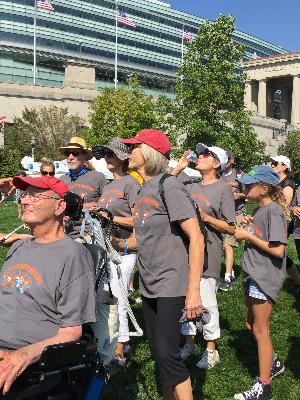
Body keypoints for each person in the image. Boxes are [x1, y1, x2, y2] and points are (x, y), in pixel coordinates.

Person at [111, 129, 204, 400]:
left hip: (172, 283)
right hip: (149, 285)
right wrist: (113, 241)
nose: (128, 153)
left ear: (149, 152)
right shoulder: (143, 189)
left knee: (167, 354)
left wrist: (194, 290)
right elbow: (140, 240)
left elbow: (197, 237)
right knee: (159, 354)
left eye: (134, 147)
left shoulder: (169, 185)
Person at [0, 175, 96, 397]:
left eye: (34, 196)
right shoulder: (19, 247)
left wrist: (20, 357)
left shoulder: (73, 254)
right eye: (25, 195)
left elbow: (71, 332)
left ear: (59, 206)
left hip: (27, 362)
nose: (24, 201)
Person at [172, 144, 236, 369]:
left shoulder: (223, 189)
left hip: (209, 254)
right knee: (185, 300)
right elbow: (165, 186)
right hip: (184, 254)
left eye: (206, 155)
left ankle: (211, 350)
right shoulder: (189, 185)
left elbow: (231, 228)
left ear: (217, 163)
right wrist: (179, 167)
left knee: (206, 302)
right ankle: (190, 345)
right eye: (200, 154)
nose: (200, 157)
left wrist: (204, 218)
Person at [234, 165, 289, 400]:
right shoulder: (259, 210)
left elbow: (278, 250)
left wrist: (247, 235)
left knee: (260, 331)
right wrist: (248, 226)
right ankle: (274, 363)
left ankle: (263, 387)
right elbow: (260, 236)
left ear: (264, 189)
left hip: (264, 276)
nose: (244, 188)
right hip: (252, 273)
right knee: (250, 325)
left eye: (249, 185)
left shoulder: (274, 210)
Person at [95, 137, 140, 371]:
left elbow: (140, 220)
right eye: (104, 154)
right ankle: (119, 343)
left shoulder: (131, 184)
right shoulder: (108, 185)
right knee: (108, 296)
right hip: (107, 248)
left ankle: (120, 352)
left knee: (120, 298)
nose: (106, 157)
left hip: (124, 247)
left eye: (110, 153)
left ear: (123, 157)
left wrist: (108, 217)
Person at [58, 137, 107, 240]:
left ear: (84, 157)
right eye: (68, 153)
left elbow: (111, 204)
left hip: (90, 234)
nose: (70, 157)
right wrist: (62, 213)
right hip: (66, 234)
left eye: (75, 153)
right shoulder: (62, 180)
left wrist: (96, 205)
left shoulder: (98, 177)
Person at [270, 155, 300, 293]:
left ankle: (298, 281)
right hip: (273, 220)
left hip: (283, 223)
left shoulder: (288, 183)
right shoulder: (276, 182)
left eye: (275, 163)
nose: (272, 165)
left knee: (279, 253)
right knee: (273, 251)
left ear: (284, 167)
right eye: (272, 163)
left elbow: (284, 205)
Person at [219, 149, 246, 291]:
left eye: (227, 159)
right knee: (222, 245)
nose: (225, 162)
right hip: (221, 215)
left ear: (232, 160)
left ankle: (228, 278)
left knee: (227, 245)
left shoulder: (239, 174)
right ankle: (232, 272)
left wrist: (239, 195)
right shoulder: (217, 174)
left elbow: (249, 192)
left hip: (236, 214)